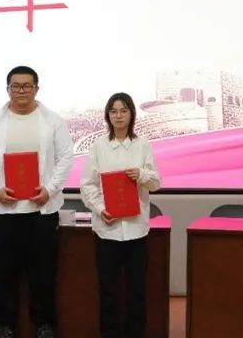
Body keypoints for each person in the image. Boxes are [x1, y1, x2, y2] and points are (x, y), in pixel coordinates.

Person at [0, 65, 74, 338]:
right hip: (2, 210)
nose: (21, 91)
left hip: (41, 210)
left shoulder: (52, 121)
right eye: (15, 86)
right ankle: (4, 325)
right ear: (7, 89)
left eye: (27, 86)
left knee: (43, 272)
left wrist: (50, 189)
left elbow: (66, 157)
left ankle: (44, 324)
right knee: (3, 272)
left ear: (36, 89)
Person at [79, 92, 162, 338]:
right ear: (108, 116)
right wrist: (100, 209)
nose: (118, 116)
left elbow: (156, 183)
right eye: (114, 111)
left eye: (123, 110)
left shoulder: (142, 145)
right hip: (107, 230)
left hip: (136, 230)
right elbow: (87, 185)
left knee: (136, 290)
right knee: (108, 290)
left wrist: (142, 175)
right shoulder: (98, 147)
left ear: (131, 114)